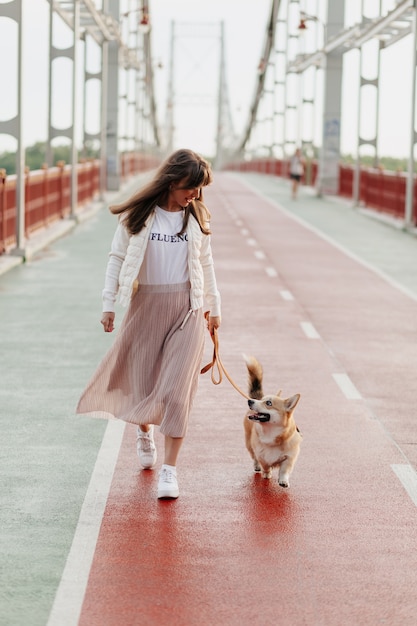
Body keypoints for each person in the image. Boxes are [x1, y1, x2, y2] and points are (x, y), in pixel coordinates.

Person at [76, 149, 221, 500]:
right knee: (143, 385)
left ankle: (169, 471)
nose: (196, 195)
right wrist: (108, 304)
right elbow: (117, 258)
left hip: (187, 309)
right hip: (146, 306)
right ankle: (144, 431)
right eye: (192, 187)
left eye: (200, 189)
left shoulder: (196, 217)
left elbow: (206, 263)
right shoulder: (139, 216)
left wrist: (214, 308)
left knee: (175, 390)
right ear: (173, 181)